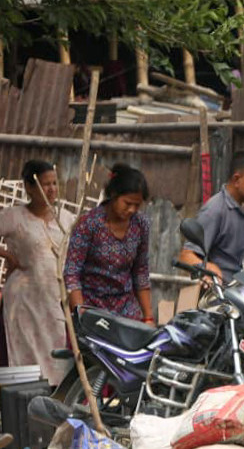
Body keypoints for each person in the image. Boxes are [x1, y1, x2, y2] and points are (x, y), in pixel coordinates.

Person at [0, 161, 73, 384]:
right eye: (45, 184)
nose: (52, 189)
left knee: (56, 351)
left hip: (55, 298)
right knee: (24, 354)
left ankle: (54, 394)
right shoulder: (14, 216)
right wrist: (8, 256)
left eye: (54, 183)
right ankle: (23, 395)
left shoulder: (66, 218)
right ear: (29, 187)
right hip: (23, 301)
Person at [63, 164, 153, 324]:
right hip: (90, 306)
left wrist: (148, 317)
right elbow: (72, 272)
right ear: (113, 195)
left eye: (137, 205)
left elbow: (140, 271)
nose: (132, 210)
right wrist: (80, 314)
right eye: (127, 203)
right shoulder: (89, 224)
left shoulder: (140, 225)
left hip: (125, 308)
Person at [177, 153, 244, 281]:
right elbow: (186, 256)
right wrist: (209, 268)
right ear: (237, 180)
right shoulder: (215, 210)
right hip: (223, 290)